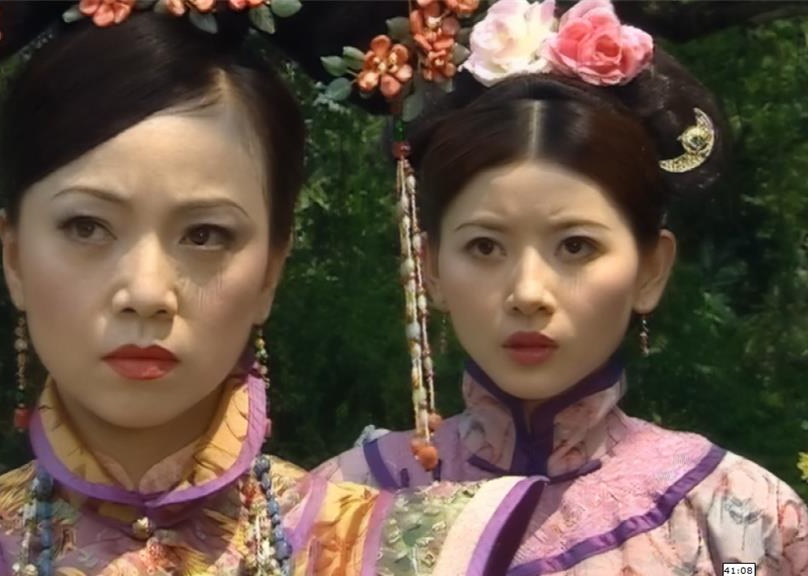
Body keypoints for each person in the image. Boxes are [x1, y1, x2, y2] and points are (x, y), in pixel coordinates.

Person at [0, 2, 544, 575]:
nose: (147, 292)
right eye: (86, 227)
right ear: (13, 256)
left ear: (270, 270)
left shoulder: (424, 552)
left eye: (206, 235)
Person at [313, 0, 808, 573]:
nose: (529, 293)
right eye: (485, 247)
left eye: (576, 247)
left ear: (651, 269)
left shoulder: (739, 527)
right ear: (431, 269)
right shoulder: (341, 509)